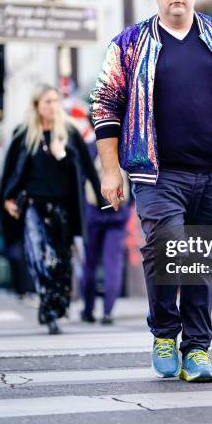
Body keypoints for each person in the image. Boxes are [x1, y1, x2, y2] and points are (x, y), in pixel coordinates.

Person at [90, 0, 212, 382]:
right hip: (155, 172)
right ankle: (165, 332)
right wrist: (110, 171)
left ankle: (198, 350)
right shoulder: (129, 44)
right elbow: (105, 105)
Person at [0, 84, 103, 334]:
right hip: (34, 205)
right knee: (40, 256)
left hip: (64, 207)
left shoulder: (69, 132)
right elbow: (11, 171)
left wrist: (62, 155)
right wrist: (6, 199)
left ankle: (56, 306)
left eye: (56, 101)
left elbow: (85, 168)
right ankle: (48, 306)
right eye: (47, 101)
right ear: (37, 106)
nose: (53, 106)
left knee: (62, 261)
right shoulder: (24, 134)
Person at [81, 138, 131, 325]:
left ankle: (88, 310)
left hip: (93, 212)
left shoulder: (91, 148)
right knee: (113, 263)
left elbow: (81, 177)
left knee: (90, 263)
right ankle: (108, 311)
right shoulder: (124, 143)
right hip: (118, 212)